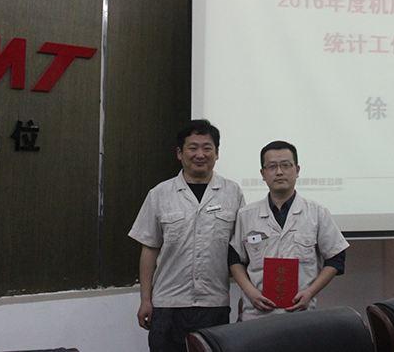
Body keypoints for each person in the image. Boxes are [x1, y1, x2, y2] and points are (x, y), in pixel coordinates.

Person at [128, 119, 245, 352]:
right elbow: (149, 249)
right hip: (167, 304)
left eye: (207, 148)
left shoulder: (233, 193)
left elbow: (241, 252)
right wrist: (145, 300)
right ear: (180, 153)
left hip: (214, 303)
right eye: (193, 148)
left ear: (217, 153)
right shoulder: (160, 194)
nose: (200, 154)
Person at [228, 140, 349, 320]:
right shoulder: (246, 215)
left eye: (285, 165)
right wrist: (249, 291)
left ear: (297, 170)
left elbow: (336, 258)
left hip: (300, 312)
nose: (279, 172)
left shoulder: (317, 213)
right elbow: (235, 259)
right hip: (256, 314)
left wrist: (310, 293)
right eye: (272, 167)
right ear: (262, 174)